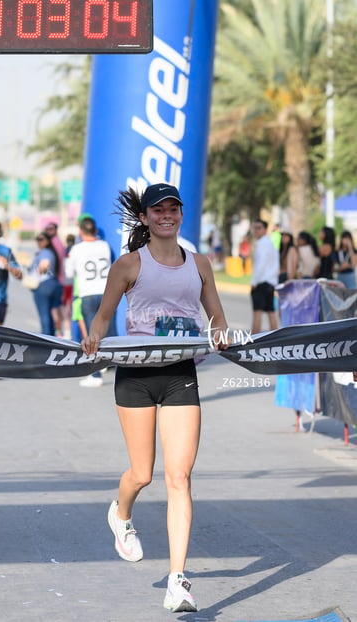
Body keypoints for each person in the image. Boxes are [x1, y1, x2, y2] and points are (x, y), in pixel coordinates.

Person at [81, 183, 229, 613]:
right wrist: (94, 335)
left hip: (181, 376)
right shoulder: (129, 264)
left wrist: (219, 328)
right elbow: (104, 315)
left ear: (181, 215)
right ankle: (120, 514)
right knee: (142, 474)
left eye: (173, 208)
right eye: (158, 210)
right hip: (137, 377)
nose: (167, 215)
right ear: (144, 218)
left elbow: (216, 313)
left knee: (179, 478)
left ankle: (179, 580)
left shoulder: (199, 264)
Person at [65, 216, 113, 388]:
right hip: (106, 292)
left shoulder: (76, 249)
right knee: (106, 332)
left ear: (81, 231)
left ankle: (95, 373)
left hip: (87, 293)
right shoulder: (105, 246)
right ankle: (107, 363)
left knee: (91, 335)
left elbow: (69, 274)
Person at [29, 231, 63, 336]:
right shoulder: (50, 252)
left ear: (48, 241)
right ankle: (53, 336)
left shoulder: (45, 252)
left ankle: (46, 338)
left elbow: (45, 264)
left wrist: (39, 271)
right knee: (51, 314)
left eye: (41, 239)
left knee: (45, 315)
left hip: (44, 284)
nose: (39, 242)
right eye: (37, 239)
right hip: (53, 283)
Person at [250, 218, 279, 333]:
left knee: (257, 312)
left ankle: (253, 339)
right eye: (255, 228)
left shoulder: (262, 244)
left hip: (261, 282)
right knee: (271, 312)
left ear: (265, 229)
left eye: (259, 228)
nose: (256, 230)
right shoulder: (270, 243)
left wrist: (253, 282)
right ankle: (276, 338)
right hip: (270, 282)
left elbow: (260, 265)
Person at [44, 222, 66, 335]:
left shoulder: (54, 242)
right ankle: (60, 331)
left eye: (51, 229)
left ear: (56, 230)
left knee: (55, 307)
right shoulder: (57, 242)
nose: (48, 231)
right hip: (58, 279)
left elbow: (57, 262)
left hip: (56, 280)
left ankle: (59, 331)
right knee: (57, 306)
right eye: (47, 229)